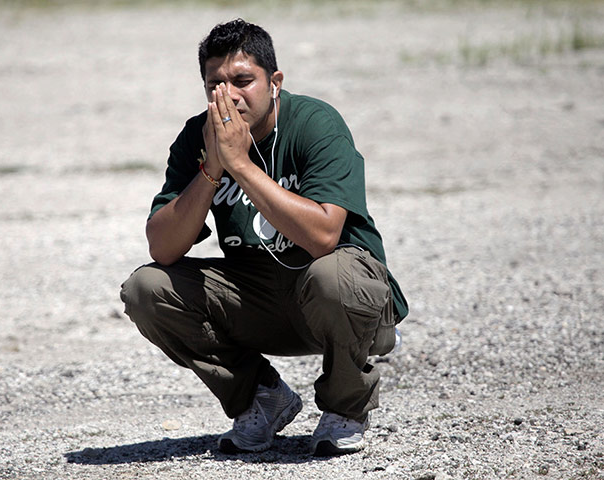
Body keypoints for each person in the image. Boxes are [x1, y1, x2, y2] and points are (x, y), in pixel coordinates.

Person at [120, 18, 408, 456]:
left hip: (334, 287)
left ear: (274, 81)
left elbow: (324, 236)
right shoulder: (197, 137)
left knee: (333, 277)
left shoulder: (315, 122)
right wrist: (212, 169)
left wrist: (241, 165)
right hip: (257, 295)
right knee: (146, 288)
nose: (230, 95)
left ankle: (345, 407)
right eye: (215, 83)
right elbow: (163, 247)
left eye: (242, 80)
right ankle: (260, 398)